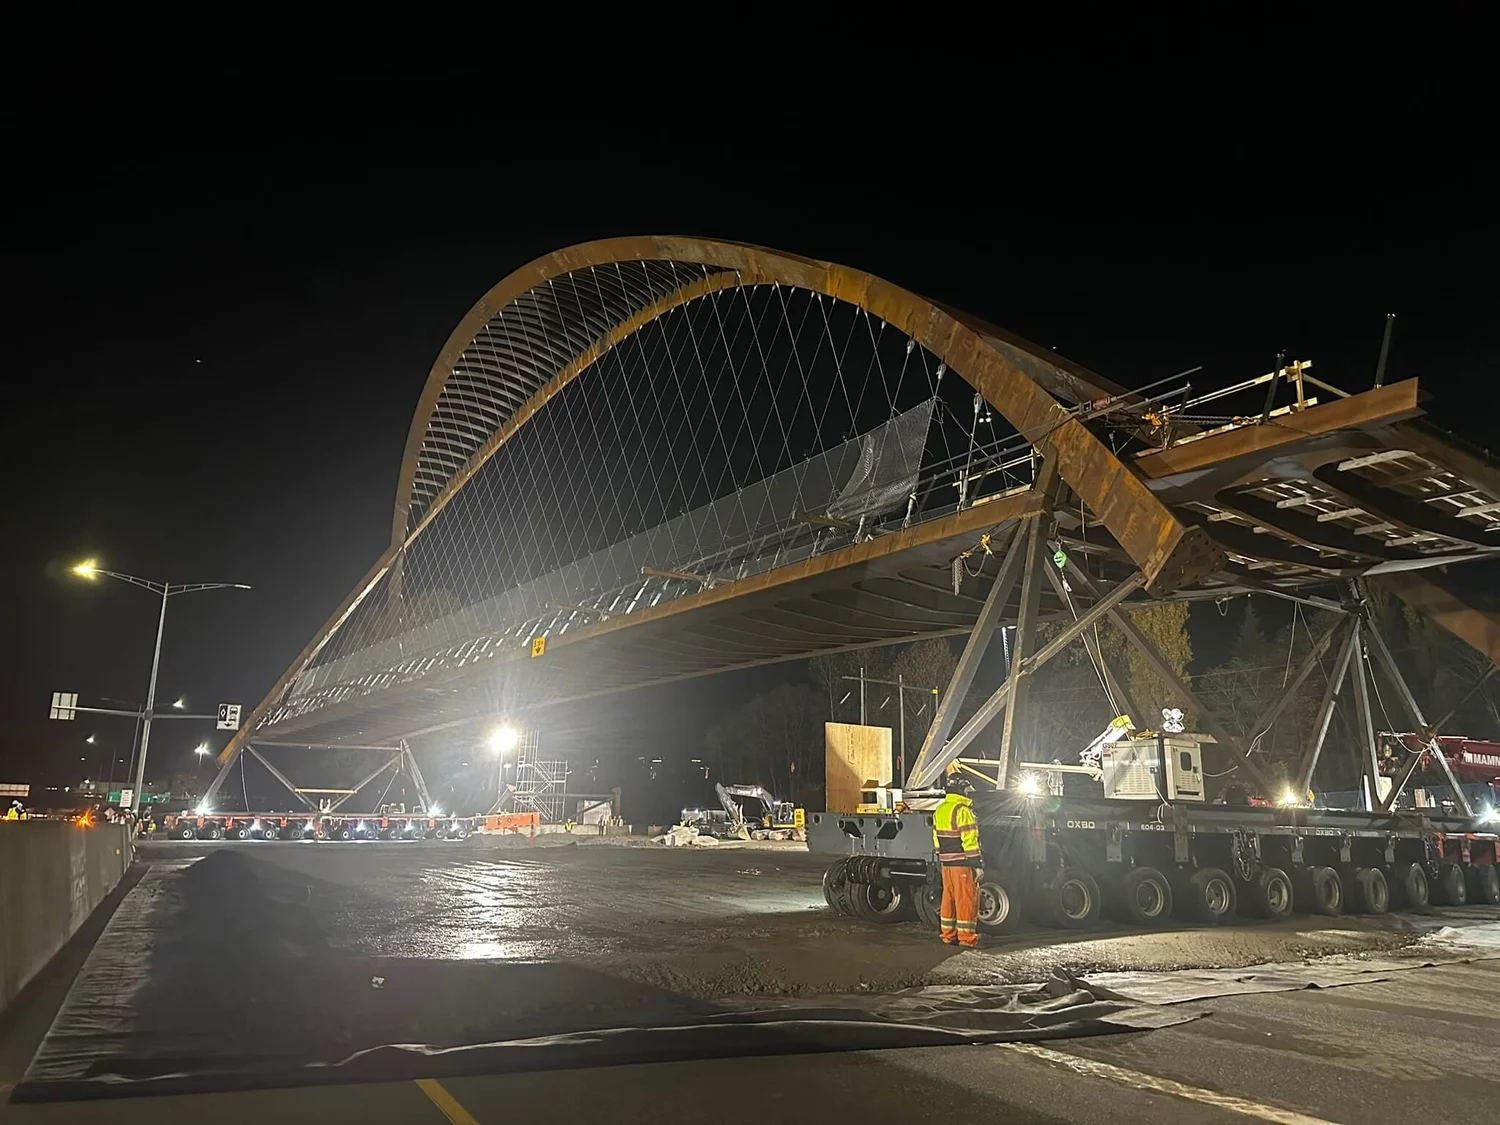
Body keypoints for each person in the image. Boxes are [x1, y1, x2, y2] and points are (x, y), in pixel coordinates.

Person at [932, 773, 983, 948]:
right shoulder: (963, 811)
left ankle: (947, 935)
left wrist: (943, 857)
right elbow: (969, 841)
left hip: (946, 864)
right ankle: (967, 938)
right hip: (962, 864)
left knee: (949, 898)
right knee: (966, 899)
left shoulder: (940, 810)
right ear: (961, 789)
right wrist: (977, 864)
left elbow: (936, 839)